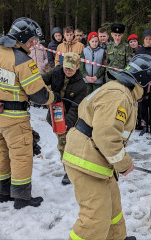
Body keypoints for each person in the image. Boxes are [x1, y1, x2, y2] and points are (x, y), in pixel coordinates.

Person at [62, 54, 151, 240]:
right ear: (143, 80)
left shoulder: (122, 93)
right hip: (86, 161)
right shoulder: (119, 97)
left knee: (113, 207)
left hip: (97, 158)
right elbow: (106, 137)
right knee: (95, 218)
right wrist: (124, 164)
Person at [0, 17, 61, 209]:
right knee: (20, 156)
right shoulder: (22, 60)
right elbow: (38, 95)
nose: (33, 44)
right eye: (32, 40)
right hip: (14, 119)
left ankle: (1, 193)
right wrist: (53, 97)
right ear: (22, 38)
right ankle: (22, 198)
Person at [43, 52, 86, 184]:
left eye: (71, 68)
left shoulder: (81, 85)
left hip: (70, 117)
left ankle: (72, 169)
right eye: (66, 68)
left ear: (77, 67)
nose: (67, 71)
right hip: (55, 113)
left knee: (71, 144)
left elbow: (76, 107)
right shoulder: (57, 72)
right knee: (62, 144)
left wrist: (66, 123)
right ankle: (67, 170)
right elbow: (41, 80)